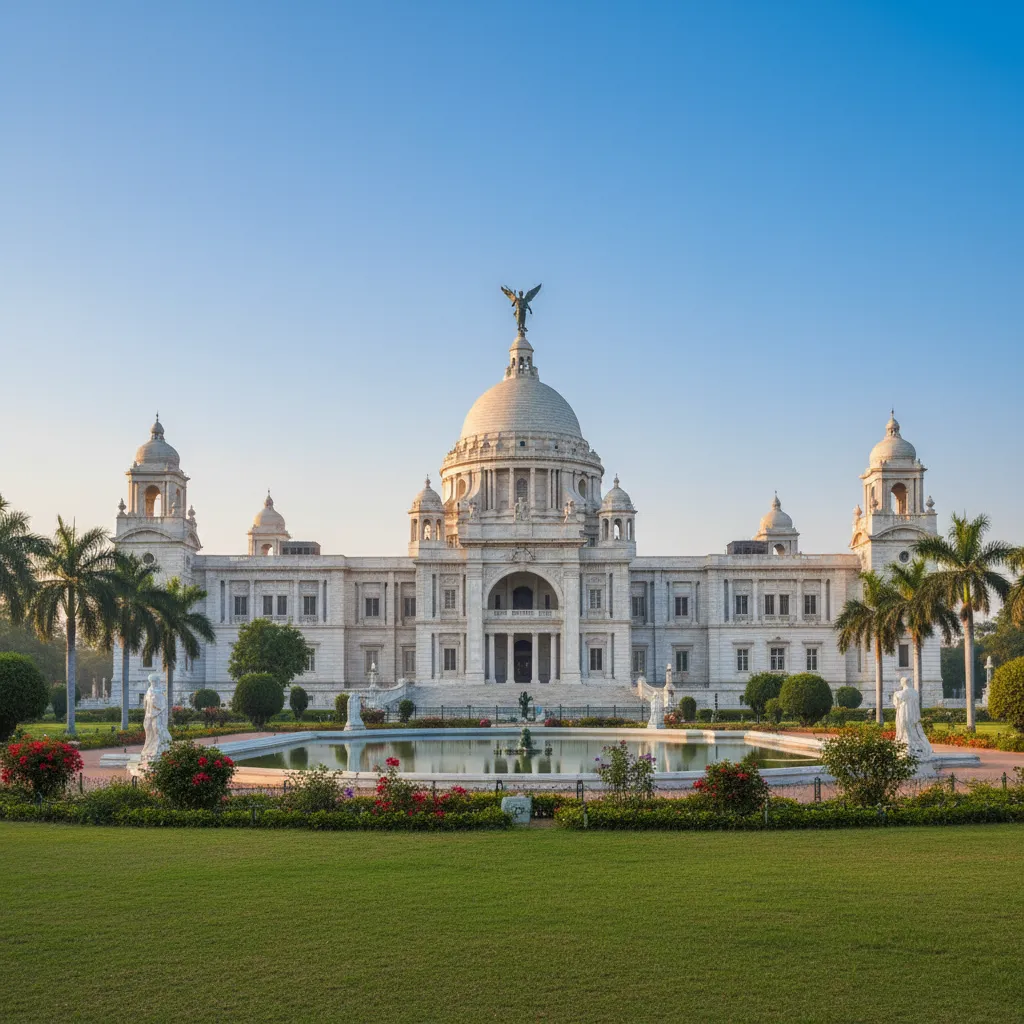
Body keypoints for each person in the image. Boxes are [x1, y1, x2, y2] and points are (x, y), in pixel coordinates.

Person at [893, 676, 931, 760]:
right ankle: (915, 746)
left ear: (902, 683)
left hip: (903, 714)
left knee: (904, 730)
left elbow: (896, 704)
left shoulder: (899, 693)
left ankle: (906, 746)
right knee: (914, 730)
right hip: (914, 715)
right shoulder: (915, 692)